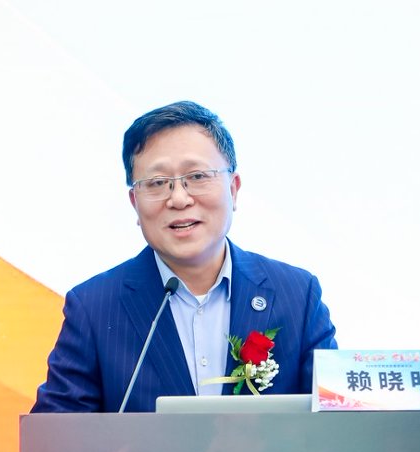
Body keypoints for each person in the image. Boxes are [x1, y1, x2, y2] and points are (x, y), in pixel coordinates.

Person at [31, 101, 337, 413]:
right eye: (157, 183)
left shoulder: (297, 295)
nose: (178, 199)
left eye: (198, 176)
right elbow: (56, 434)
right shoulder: (93, 308)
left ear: (233, 189)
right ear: (135, 202)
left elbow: (340, 423)